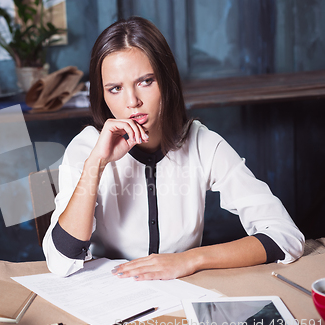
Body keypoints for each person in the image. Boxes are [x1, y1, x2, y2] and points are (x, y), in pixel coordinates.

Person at [42, 16, 304, 279]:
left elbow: (285, 236)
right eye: (115, 88)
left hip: (182, 298)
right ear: (103, 95)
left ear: (166, 81)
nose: (132, 101)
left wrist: (191, 259)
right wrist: (96, 164)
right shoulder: (88, 147)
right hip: (108, 301)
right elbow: (61, 262)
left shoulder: (202, 144)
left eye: (145, 81)